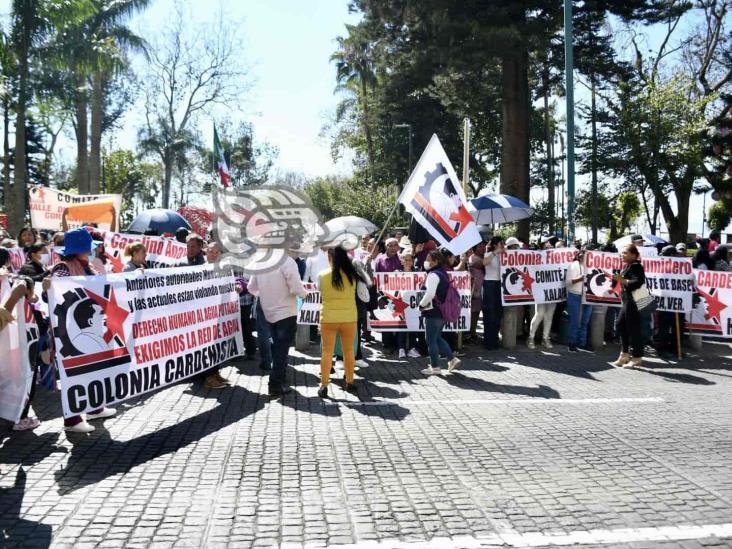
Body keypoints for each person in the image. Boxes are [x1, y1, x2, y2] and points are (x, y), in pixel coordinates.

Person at [47, 228, 116, 432]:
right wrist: (49, 284)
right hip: (69, 332)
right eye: (87, 249)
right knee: (74, 373)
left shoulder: (88, 268)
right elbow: (53, 289)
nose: (91, 251)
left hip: (88, 329)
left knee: (93, 369)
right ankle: (72, 420)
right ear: (78, 250)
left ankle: (94, 408)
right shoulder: (63, 267)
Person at [248, 252, 309, 397]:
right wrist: (306, 294)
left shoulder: (260, 261)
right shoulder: (288, 261)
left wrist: (265, 295)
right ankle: (275, 383)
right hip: (286, 311)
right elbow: (296, 288)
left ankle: (279, 378)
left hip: (268, 310)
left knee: (276, 346)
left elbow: (251, 287)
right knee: (281, 348)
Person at [317, 246, 368, 398]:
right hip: (349, 318)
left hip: (328, 318)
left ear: (330, 258)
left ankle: (324, 385)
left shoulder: (322, 275)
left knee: (327, 351)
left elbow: (320, 291)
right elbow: (364, 296)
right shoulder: (353, 275)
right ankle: (350, 382)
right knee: (348, 351)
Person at [419, 250, 460, 375]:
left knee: (430, 340)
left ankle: (435, 367)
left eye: (428, 259)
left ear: (435, 261)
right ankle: (452, 359)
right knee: (437, 338)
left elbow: (430, 294)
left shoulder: (433, 275)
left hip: (433, 311)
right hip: (442, 311)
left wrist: (421, 305)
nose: (426, 261)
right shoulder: (443, 273)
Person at [612, 244, 646, 367]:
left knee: (633, 328)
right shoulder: (628, 266)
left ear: (633, 255)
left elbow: (637, 282)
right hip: (627, 301)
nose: (623, 255)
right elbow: (621, 283)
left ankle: (637, 356)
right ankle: (624, 354)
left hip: (634, 302)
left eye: (626, 253)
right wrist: (615, 278)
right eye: (623, 252)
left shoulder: (636, 266)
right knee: (620, 324)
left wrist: (622, 280)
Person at [528, 241, 558, 349]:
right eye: (547, 247)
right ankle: (531, 337)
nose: (549, 248)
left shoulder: (558, 260)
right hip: (541, 291)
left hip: (553, 292)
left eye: (551, 246)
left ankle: (545, 338)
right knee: (539, 314)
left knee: (549, 316)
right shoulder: (537, 259)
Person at [566, 249, 592, 352]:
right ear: (580, 256)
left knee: (585, 321)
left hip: (588, 296)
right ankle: (572, 343)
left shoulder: (592, 266)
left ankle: (582, 343)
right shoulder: (573, 265)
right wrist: (580, 279)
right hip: (575, 295)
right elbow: (568, 283)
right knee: (575, 321)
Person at [396, 252, 421, 358]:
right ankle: (401, 348)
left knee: (413, 325)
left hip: (413, 303)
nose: (407, 262)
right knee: (401, 325)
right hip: (400, 302)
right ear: (401, 261)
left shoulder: (417, 273)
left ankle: (411, 348)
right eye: (405, 259)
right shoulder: (396, 273)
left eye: (409, 260)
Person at [482, 236, 504, 350]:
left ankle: (495, 339)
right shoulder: (488, 254)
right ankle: (488, 341)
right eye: (501, 243)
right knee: (489, 312)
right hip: (489, 284)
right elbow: (484, 262)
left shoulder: (504, 256)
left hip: (499, 285)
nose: (503, 245)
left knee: (498, 312)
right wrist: (495, 253)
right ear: (495, 245)